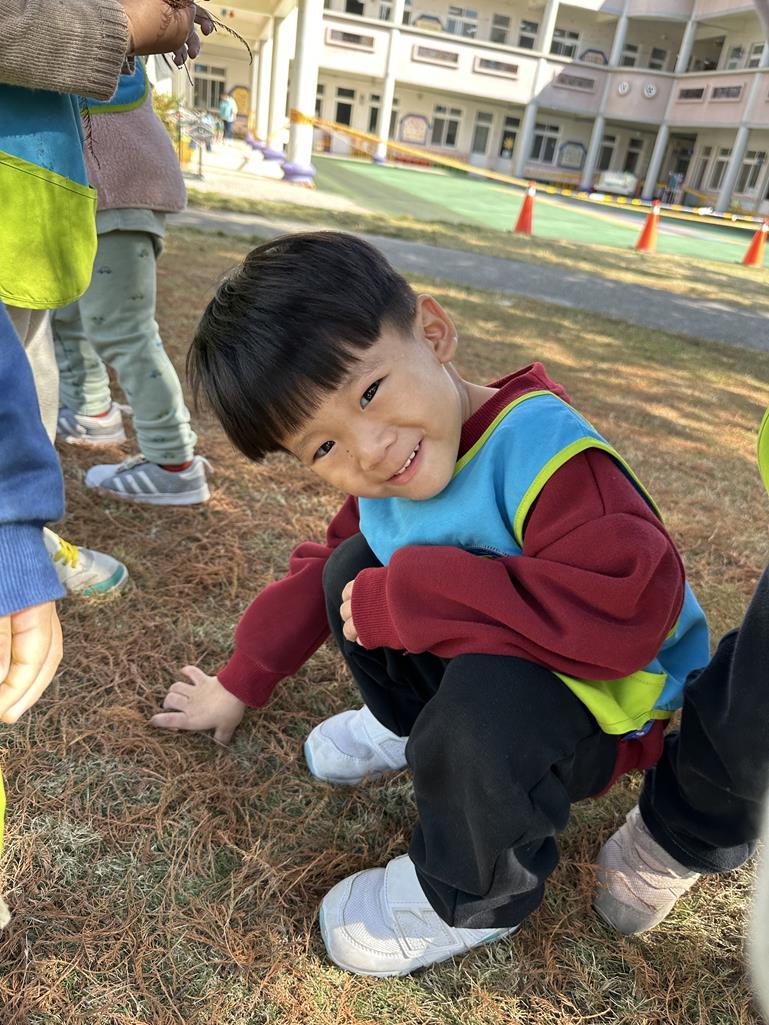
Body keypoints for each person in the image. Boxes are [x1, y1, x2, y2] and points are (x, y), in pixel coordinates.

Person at [151, 231, 711, 976]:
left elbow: (622, 622)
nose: (370, 450)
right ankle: (411, 729)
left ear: (434, 332)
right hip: (503, 661)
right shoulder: (386, 477)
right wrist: (239, 681)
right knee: (351, 569)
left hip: (606, 700)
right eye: (323, 447)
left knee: (478, 694)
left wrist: (413, 598)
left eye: (370, 392)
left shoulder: (549, 458)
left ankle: (469, 897)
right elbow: (319, 575)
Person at [0, 0, 212, 926]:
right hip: (51, 207)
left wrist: (13, 533)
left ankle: (168, 461)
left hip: (63, 209)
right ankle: (121, 450)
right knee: (73, 345)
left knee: (99, 338)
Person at [52, 58, 210, 506]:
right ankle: (91, 410)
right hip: (91, 184)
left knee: (123, 330)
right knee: (66, 311)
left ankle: (173, 463)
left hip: (116, 184)